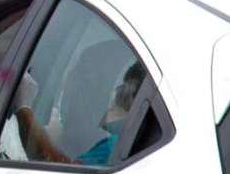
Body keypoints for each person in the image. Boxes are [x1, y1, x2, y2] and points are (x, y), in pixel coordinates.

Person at [11, 61, 145, 165]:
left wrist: (23, 110)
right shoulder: (144, 147)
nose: (118, 103)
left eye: (123, 96)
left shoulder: (116, 146)